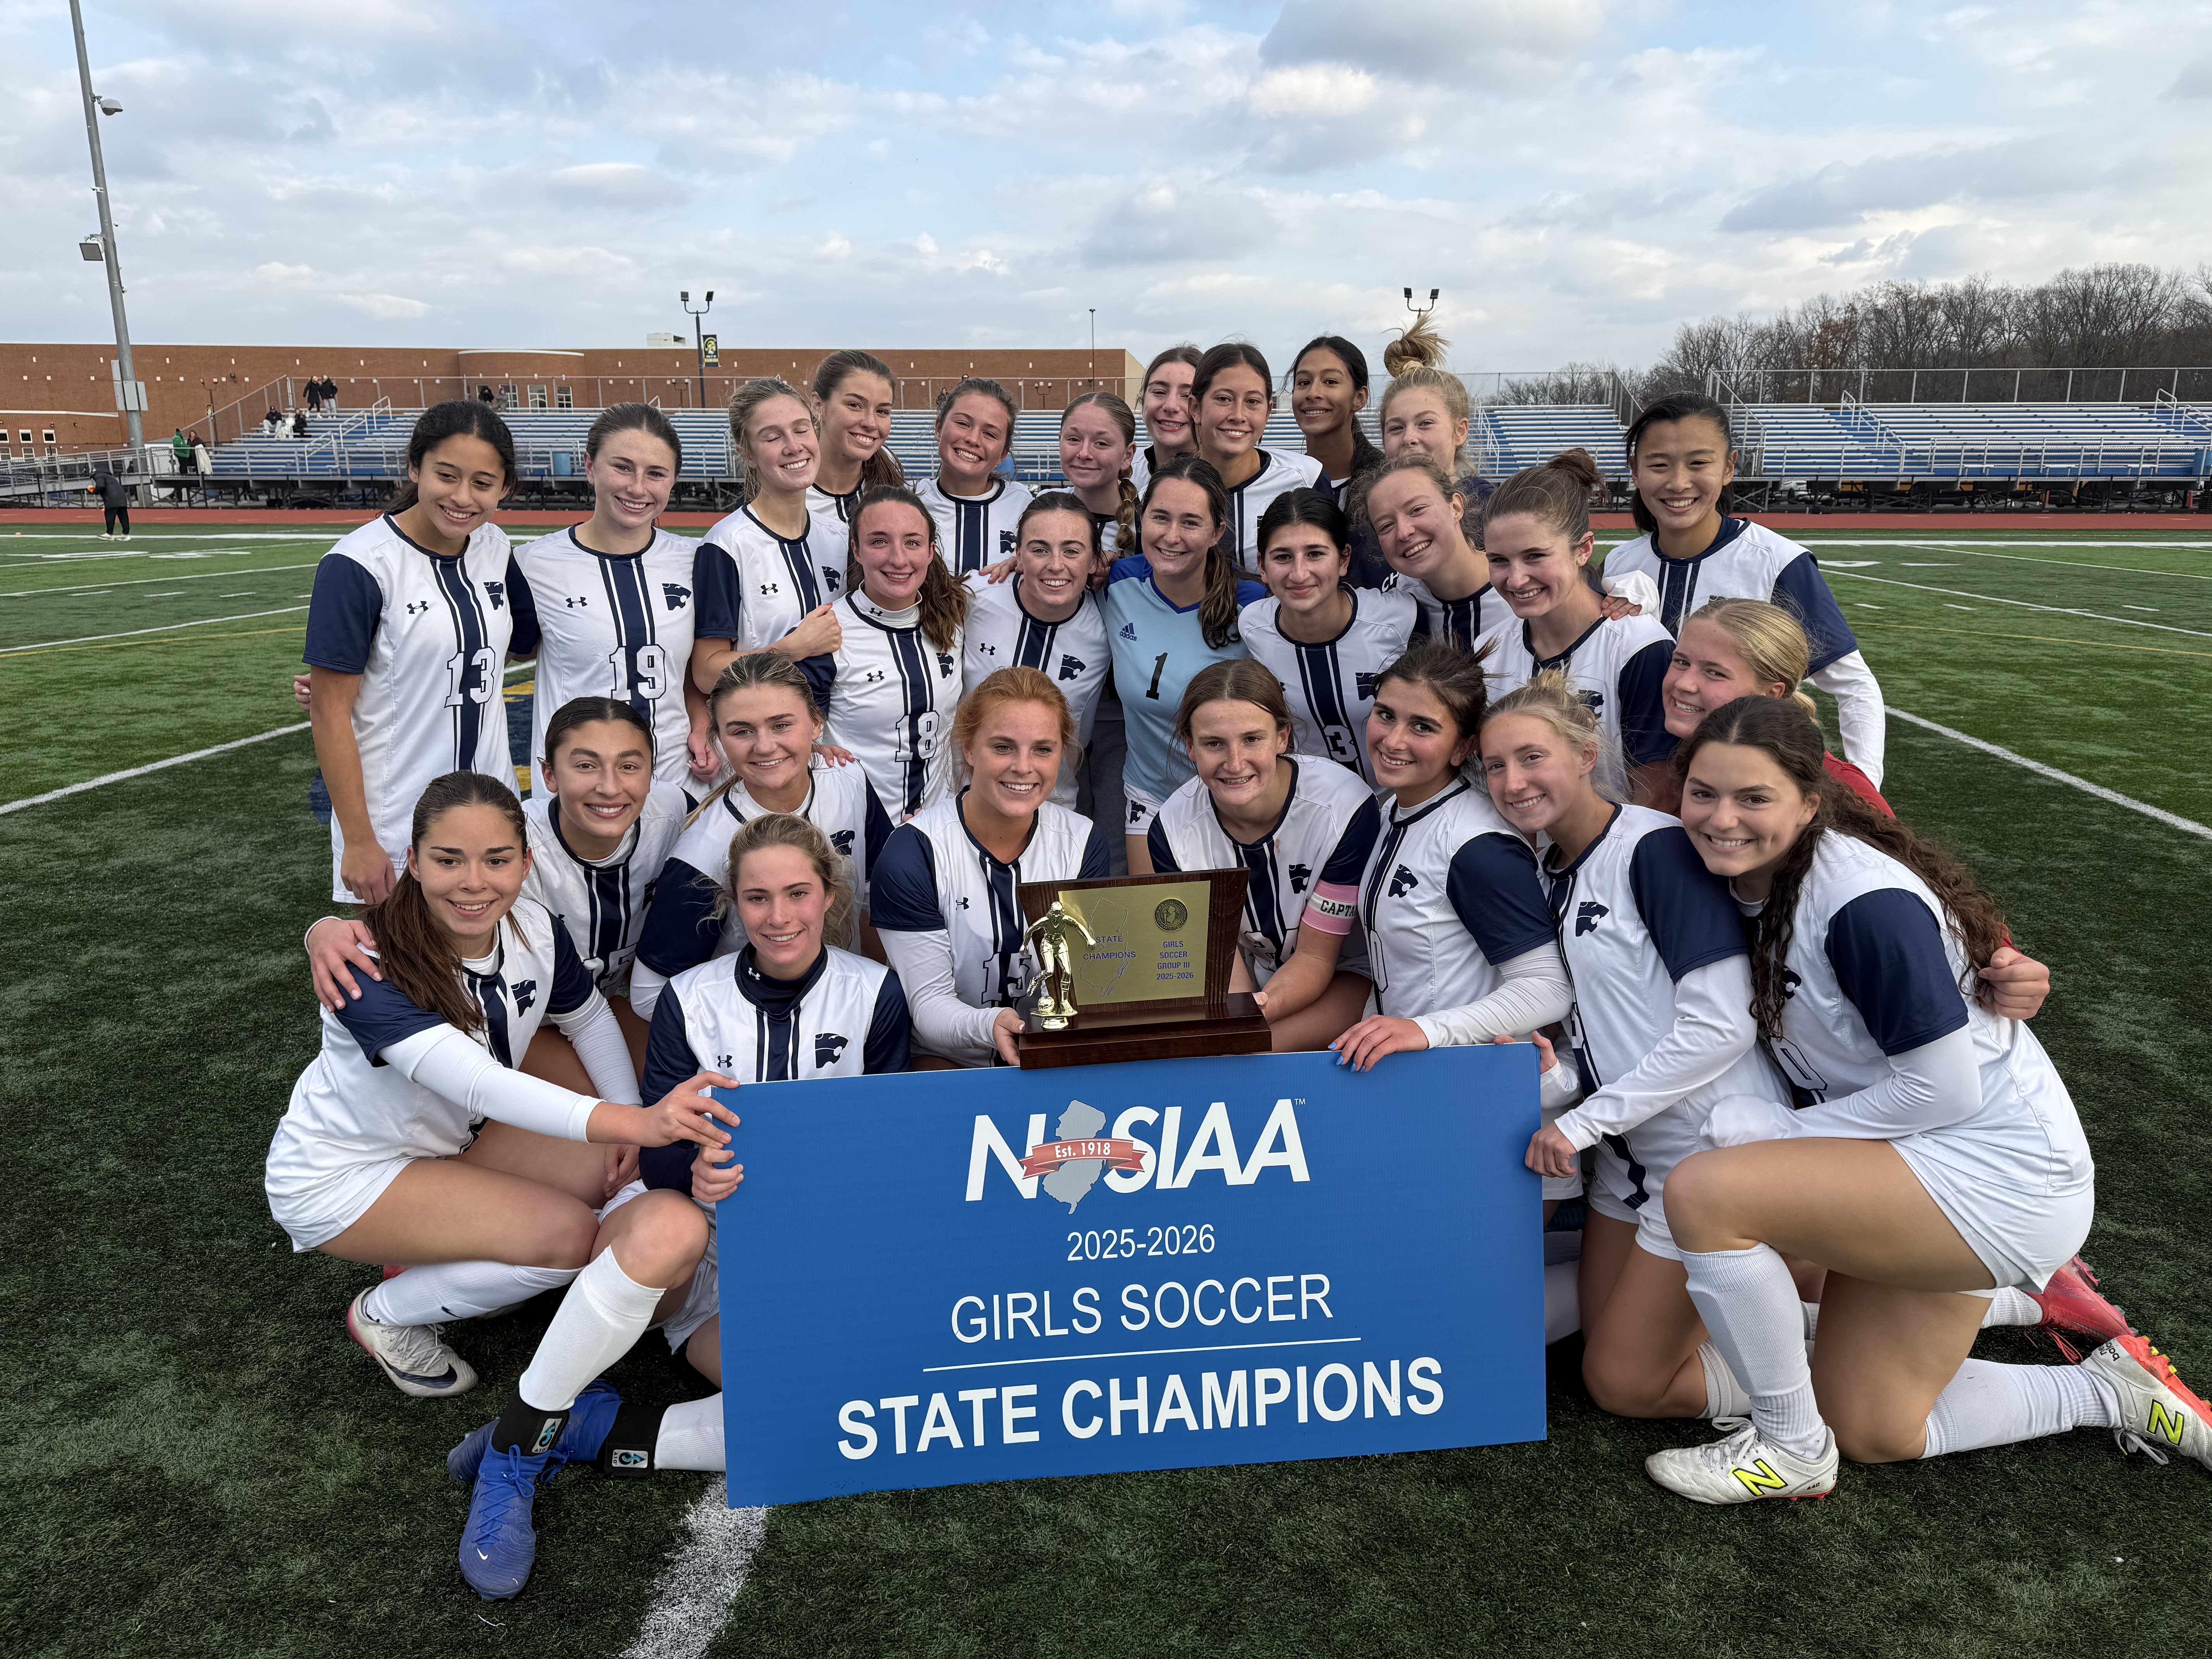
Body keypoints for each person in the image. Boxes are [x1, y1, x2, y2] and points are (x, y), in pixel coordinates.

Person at [1642, 696, 2203, 1505]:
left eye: (1753, 798)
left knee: (1706, 1193)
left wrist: (1785, 1130)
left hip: (1999, 1176)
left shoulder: (1862, 904)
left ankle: (1791, 1450)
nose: (1722, 819)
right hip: (1915, 1159)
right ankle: (2111, 1391)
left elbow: (1944, 1089)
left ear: (1809, 801)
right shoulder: (1741, 877)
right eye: (1704, 793)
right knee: (1874, 1426)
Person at [258, 771, 736, 1597]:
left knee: (597, 1175)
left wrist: (620, 1117)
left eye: (495, 860)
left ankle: (466, 1264)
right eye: (448, 860)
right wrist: (644, 1125)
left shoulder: (530, 925)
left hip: (442, 1148)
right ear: (411, 861)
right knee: (565, 1242)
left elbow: (584, 1015)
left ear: (523, 862)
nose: (473, 882)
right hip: (344, 1175)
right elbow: (481, 1086)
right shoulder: (369, 961)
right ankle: (383, 1314)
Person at [447, 812, 911, 1489]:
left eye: (797, 893)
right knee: (673, 1221)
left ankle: (594, 1432)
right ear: (733, 901)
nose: (778, 916)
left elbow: (885, 1140)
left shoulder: (873, 991)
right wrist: (694, 1171)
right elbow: (659, 1149)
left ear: (830, 895)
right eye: (757, 897)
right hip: (705, 1249)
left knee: (833, 1406)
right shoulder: (692, 998)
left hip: (811, 1251)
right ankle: (540, 1408)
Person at [1481, 673, 1784, 1427]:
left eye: (1531, 758)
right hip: (1629, 1161)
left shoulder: (1652, 848)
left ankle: (1845, 1376)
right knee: (1600, 1355)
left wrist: (1582, 1124)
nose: (1512, 783)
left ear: (1586, 754)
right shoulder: (1548, 874)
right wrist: (1558, 1083)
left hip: (1705, 1155)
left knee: (1620, 1382)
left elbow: (1721, 1027)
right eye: (1494, 766)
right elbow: (1612, 1034)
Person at [305, 697, 690, 1081]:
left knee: (671, 1081)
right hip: (513, 1021)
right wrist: (323, 932)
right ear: (549, 775)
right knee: (588, 1127)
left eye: (629, 766)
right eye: (585, 765)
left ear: (651, 772)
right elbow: (423, 896)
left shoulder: (672, 811)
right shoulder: (503, 841)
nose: (609, 787)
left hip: (592, 1006)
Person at [1256, 640, 1573, 1076]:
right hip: (1415, 1079)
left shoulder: (1478, 845)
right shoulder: (1388, 810)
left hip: (1475, 1089)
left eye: (1423, 727)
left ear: (1463, 748)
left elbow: (1548, 988)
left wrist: (1425, 1030)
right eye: (1386, 715)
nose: (1394, 739)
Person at [1604, 392, 1889, 788]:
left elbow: (1854, 687)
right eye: (1659, 465)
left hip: (1739, 786)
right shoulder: (1621, 563)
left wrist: (1864, 787)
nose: (1678, 482)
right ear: (1635, 472)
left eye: (1699, 463)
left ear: (1729, 467)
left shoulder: (1778, 561)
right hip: (1640, 786)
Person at [304, 400, 519, 905]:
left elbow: (508, 646)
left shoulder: (494, 548)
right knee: (402, 978)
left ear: (505, 488)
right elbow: (329, 712)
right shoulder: (359, 565)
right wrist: (358, 840)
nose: (463, 497)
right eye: (447, 475)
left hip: (492, 810)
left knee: (485, 974)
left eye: (483, 483)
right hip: (396, 819)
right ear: (414, 467)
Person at [871, 669, 1112, 1066]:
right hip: (947, 1060)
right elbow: (929, 1006)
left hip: (1048, 1055)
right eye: (1003, 747)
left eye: (1043, 749)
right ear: (968, 749)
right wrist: (992, 1025)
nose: (1023, 766)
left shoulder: (1082, 842)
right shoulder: (914, 852)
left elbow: (1083, 983)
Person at [632, 653, 892, 1020]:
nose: (765, 746)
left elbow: (877, 898)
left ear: (816, 724)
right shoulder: (704, 851)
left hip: (846, 1007)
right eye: (741, 731)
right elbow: (648, 995)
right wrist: (749, 1021)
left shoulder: (847, 778)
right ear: (717, 737)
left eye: (782, 725)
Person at [1147, 661, 1379, 1051]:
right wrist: (1238, 1016)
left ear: (1282, 737)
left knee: (1253, 1051)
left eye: (1253, 739)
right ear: (1190, 746)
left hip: (1351, 974)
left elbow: (1316, 958)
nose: (1235, 763)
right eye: (1214, 743)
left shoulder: (1344, 808)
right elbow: (1224, 961)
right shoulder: (1171, 832)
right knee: (1233, 1050)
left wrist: (1247, 1023)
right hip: (1263, 979)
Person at [505, 403, 712, 793]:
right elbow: (508, 653)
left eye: (655, 474)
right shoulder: (533, 563)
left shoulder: (696, 560)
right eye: (622, 467)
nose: (637, 487)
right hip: (580, 792)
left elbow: (696, 671)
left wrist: (702, 726)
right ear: (589, 466)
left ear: (673, 481)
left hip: (678, 783)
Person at [1473, 451, 1675, 805]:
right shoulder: (1489, 648)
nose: (1517, 579)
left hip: (1613, 852)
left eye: (1535, 556)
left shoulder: (1640, 646)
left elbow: (1656, 794)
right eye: (1499, 560)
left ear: (1583, 550)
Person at [1103, 456, 1265, 872]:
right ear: (1142, 519)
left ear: (1218, 533)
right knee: (1159, 924)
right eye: (1160, 517)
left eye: (1191, 522)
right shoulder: (1117, 583)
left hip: (1234, 788)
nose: (1172, 536)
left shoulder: (1254, 608)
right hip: (1149, 794)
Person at [809, 486, 970, 819]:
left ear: (930, 551)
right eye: (879, 541)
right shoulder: (826, 631)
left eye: (912, 542)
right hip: (853, 830)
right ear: (857, 550)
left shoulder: (952, 619)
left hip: (938, 827)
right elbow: (799, 740)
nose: (899, 559)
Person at [1238, 488, 1416, 785]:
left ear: (1344, 559)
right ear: (1262, 566)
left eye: (1315, 554)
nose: (1299, 574)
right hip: (1315, 805)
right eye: (1282, 557)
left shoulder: (1399, 617)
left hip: (1396, 803)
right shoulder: (1253, 627)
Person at [688, 378, 848, 694]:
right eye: (773, 437)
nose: (793, 446)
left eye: (802, 429)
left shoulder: (841, 537)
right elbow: (706, 673)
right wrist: (790, 649)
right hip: (766, 733)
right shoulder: (726, 545)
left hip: (841, 734)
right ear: (747, 454)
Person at [960, 493, 1109, 806]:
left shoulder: (1111, 622)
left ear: (1096, 560)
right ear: (1017, 555)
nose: (1056, 565)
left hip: (1054, 809)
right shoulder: (973, 596)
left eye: (1072, 551)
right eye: (1039, 550)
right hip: (962, 802)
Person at [1190, 343, 1324, 573]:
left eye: (1252, 402)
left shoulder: (1307, 479)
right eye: (1223, 399)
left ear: (1268, 411)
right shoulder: (1165, 489)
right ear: (1196, 408)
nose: (1238, 416)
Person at [1378, 314, 1487, 536]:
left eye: (1425, 423)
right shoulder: (1372, 522)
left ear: (1460, 431)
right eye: (1396, 428)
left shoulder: (1493, 511)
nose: (1409, 438)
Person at [914, 377, 1032, 576]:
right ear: (939, 428)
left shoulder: (1022, 503)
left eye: (990, 434)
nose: (973, 439)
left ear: (1003, 454)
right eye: (962, 423)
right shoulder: (911, 499)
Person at [808, 349, 905, 523]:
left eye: (882, 411)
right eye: (855, 405)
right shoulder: (782, 500)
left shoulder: (899, 497)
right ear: (818, 405)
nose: (871, 423)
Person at [1058, 391, 1140, 557]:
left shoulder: (1146, 528)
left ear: (1128, 455)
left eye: (1101, 443)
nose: (1084, 453)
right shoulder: (1040, 509)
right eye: (1074, 439)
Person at [1128, 344, 1202, 498]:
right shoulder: (1121, 472)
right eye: (1159, 392)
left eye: (1186, 396)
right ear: (1143, 400)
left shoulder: (1229, 478)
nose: (1171, 406)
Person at [89, 466, 131, 540]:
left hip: (112, 498)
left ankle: (109, 534)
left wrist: (94, 491)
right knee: (123, 515)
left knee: (110, 515)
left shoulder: (99, 475)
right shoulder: (109, 477)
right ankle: (126, 534)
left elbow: (101, 486)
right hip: (122, 497)